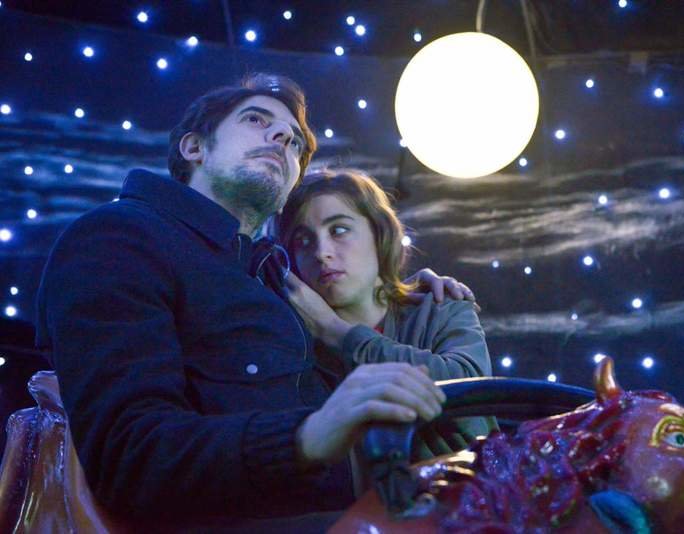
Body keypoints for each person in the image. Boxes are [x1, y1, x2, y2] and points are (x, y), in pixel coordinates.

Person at [34, 73, 472, 530]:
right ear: (194, 148)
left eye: (295, 143)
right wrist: (306, 436)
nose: (283, 137)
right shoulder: (118, 237)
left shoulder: (277, 280)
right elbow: (130, 456)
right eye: (256, 119)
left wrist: (400, 290)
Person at [276, 169, 495, 468]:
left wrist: (337, 332)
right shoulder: (295, 345)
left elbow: (469, 388)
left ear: (379, 235)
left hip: (468, 490)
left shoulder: (439, 306)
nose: (321, 252)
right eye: (303, 240)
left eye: (339, 230)